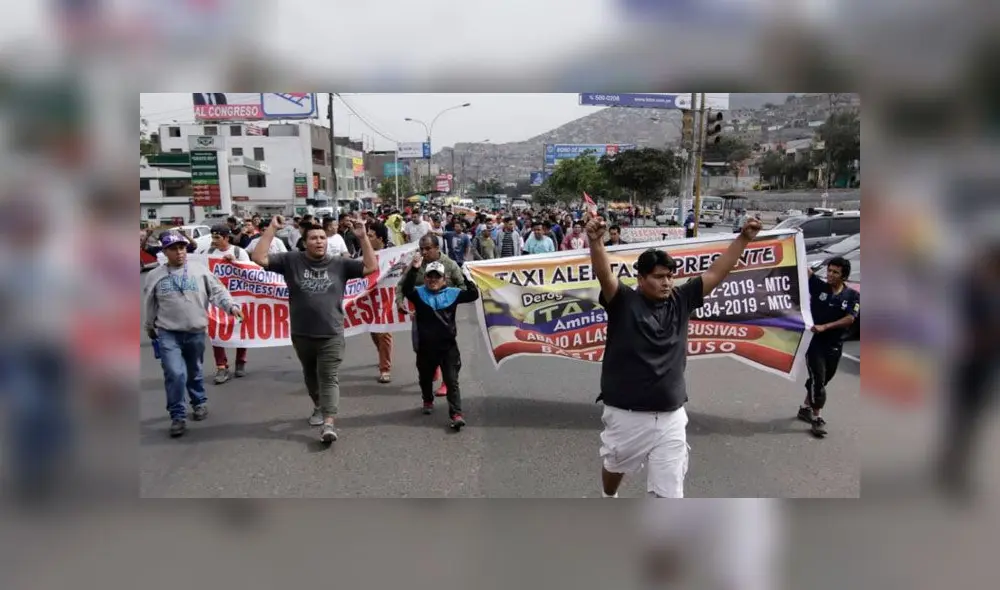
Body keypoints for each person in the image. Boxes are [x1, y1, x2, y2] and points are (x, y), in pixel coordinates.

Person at [588, 216, 762, 497]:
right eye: (658, 277)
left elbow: (718, 272)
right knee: (615, 464)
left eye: (670, 276)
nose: (667, 282)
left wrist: (744, 239)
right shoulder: (622, 301)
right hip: (626, 416)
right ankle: (609, 497)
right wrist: (596, 241)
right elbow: (604, 273)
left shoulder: (682, 300)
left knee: (669, 494)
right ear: (640, 278)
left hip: (671, 417)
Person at [252, 215, 377, 443]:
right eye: (313, 238)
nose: (319, 241)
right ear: (304, 242)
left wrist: (362, 238)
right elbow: (259, 258)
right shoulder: (291, 261)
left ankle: (329, 422)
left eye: (322, 237)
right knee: (310, 375)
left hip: (331, 333)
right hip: (302, 334)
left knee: (328, 376)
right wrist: (271, 229)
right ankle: (319, 406)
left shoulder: (339, 264)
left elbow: (371, 267)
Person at [143, 232, 245, 438]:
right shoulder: (155, 275)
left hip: (195, 331)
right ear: (164, 252)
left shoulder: (200, 270)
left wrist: (231, 306)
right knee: (175, 373)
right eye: (173, 248)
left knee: (194, 371)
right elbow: (149, 304)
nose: (179, 252)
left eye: (182, 247)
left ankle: (199, 402)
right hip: (168, 332)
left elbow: (217, 291)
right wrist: (149, 327)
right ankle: (177, 415)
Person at [400, 258, 480, 429]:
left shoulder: (452, 293)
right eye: (430, 276)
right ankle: (427, 400)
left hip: (448, 347)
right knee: (425, 378)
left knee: (452, 381)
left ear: (444, 279)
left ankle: (456, 414)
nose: (433, 280)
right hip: (425, 348)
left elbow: (473, 294)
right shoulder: (419, 293)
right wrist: (414, 269)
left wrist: (467, 275)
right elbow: (406, 289)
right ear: (425, 278)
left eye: (437, 277)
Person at [797, 256, 860, 438]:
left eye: (835, 272)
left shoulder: (852, 296)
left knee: (824, 380)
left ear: (844, 276)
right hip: (814, 343)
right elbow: (805, 271)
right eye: (829, 271)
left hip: (834, 345)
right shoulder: (819, 287)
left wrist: (825, 326)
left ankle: (806, 407)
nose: (830, 275)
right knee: (818, 377)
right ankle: (817, 418)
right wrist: (794, 242)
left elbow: (850, 318)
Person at [396, 234, 465, 397]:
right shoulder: (417, 265)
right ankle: (432, 367)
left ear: (437, 248)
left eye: (428, 249)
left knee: (445, 350)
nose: (424, 252)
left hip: (443, 315)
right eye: (421, 249)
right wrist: (399, 302)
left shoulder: (450, 265)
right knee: (419, 346)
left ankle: (446, 382)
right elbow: (401, 284)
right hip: (421, 313)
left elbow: (462, 286)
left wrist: (449, 298)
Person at [205, 225, 252, 384]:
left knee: (241, 329)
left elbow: (250, 272)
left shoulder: (239, 252)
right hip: (217, 300)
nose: (214, 241)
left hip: (239, 298)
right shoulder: (209, 253)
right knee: (216, 331)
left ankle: (241, 362)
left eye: (217, 237)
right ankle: (221, 366)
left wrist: (235, 262)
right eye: (213, 237)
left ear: (226, 238)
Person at [367, 221, 394, 383]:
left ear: (380, 238)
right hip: (370, 296)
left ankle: (385, 368)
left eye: (370, 236)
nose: (367, 239)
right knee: (373, 330)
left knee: (384, 331)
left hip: (387, 296)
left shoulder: (393, 252)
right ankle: (382, 354)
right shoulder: (364, 250)